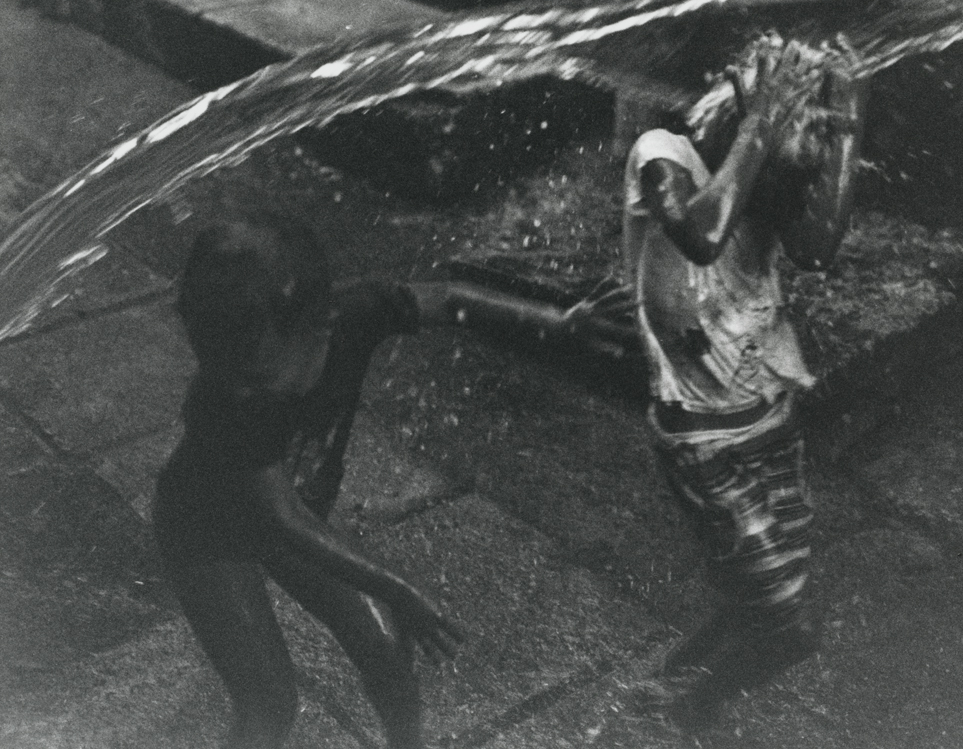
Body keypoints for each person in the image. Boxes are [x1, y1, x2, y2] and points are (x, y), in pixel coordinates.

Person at [153, 210, 630, 749]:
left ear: (321, 328)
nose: (239, 392)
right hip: (205, 529)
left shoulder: (355, 313)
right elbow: (282, 521)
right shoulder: (226, 399)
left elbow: (449, 299)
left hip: (292, 510)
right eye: (219, 369)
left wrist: (556, 322)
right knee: (269, 702)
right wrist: (399, 586)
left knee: (384, 644)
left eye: (254, 376)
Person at [623, 33, 869, 728]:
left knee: (764, 580)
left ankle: (682, 668)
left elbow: (819, 249)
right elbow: (700, 236)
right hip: (705, 442)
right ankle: (689, 708)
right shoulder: (664, 155)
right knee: (790, 625)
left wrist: (852, 109)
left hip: (771, 421)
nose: (815, 128)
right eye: (806, 113)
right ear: (745, 101)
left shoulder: (766, 181)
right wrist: (763, 118)